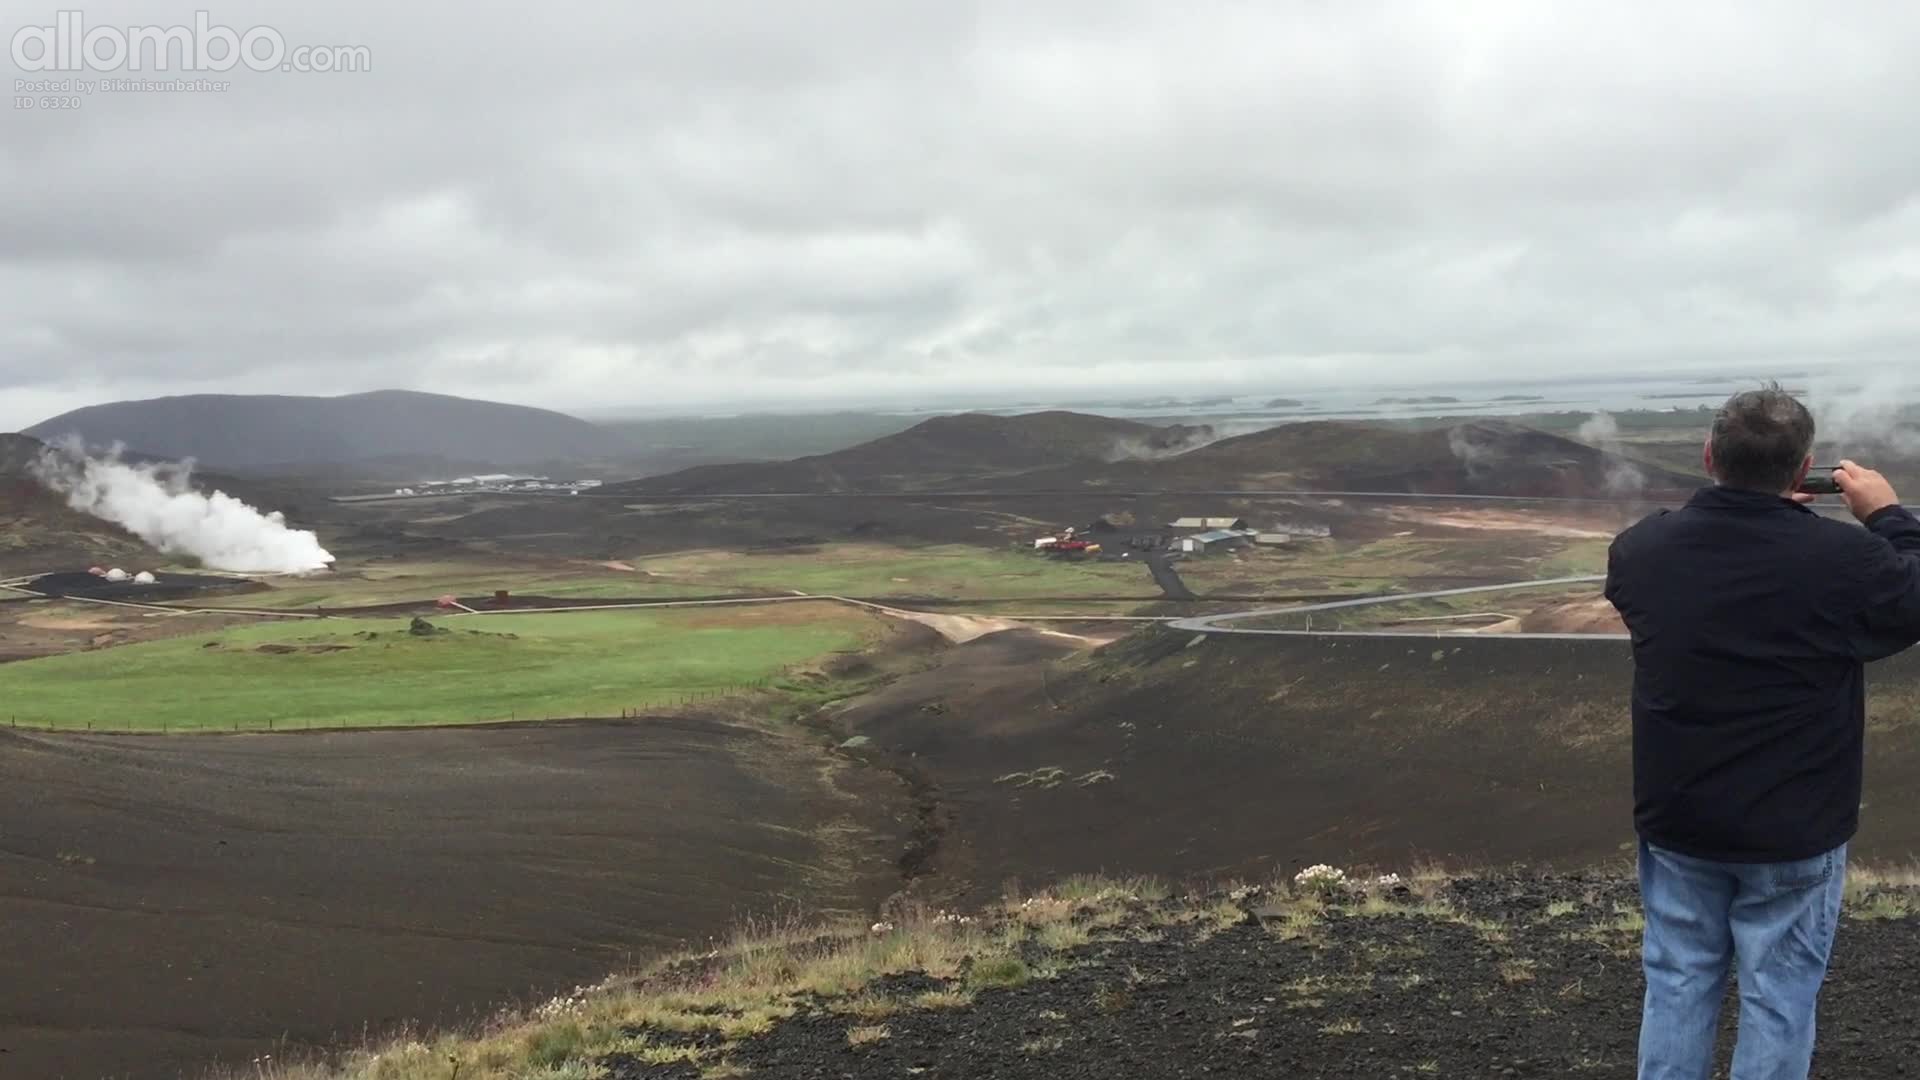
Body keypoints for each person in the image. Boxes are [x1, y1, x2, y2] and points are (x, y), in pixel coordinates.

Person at [1606, 386, 1920, 1080]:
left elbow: (1681, 556)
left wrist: (1754, 514)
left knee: (1678, 984)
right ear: (1804, 466)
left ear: (1710, 455)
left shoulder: (1640, 552)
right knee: (1779, 996)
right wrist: (1891, 516)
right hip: (1795, 826)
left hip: (1679, 818)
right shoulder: (1845, 563)